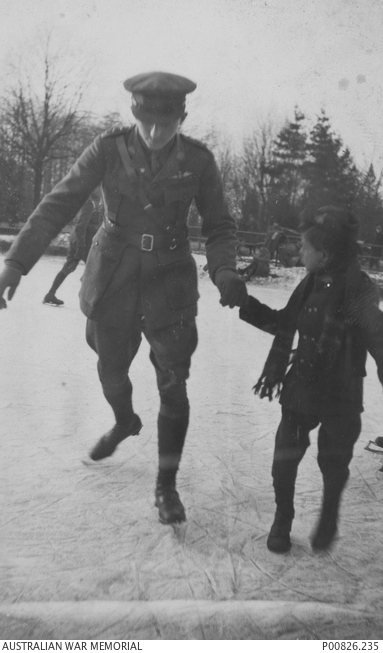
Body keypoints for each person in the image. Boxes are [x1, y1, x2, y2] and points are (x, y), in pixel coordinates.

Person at [0, 71, 247, 526]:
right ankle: (125, 420)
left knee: (174, 383)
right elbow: (58, 203)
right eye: (147, 123)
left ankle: (166, 485)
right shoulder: (107, 150)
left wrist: (225, 268)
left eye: (166, 125)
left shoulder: (199, 161)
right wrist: (15, 263)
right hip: (113, 276)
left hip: (169, 281)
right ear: (134, 114)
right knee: (110, 368)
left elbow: (219, 225)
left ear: (181, 119)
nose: (155, 135)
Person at [239, 206, 383, 553]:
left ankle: (329, 514)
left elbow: (378, 339)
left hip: (341, 393)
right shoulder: (308, 285)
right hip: (302, 386)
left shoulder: (357, 292)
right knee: (284, 460)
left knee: (333, 463)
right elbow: (284, 322)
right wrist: (246, 304)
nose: (300, 252)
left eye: (306, 247)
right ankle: (282, 519)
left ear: (326, 252)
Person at [43, 191, 103, 306]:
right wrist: (81, 247)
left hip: (84, 243)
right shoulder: (89, 204)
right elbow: (81, 226)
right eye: (99, 187)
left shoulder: (96, 204)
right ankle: (86, 297)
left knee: (77, 268)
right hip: (80, 243)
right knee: (93, 269)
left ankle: (51, 294)